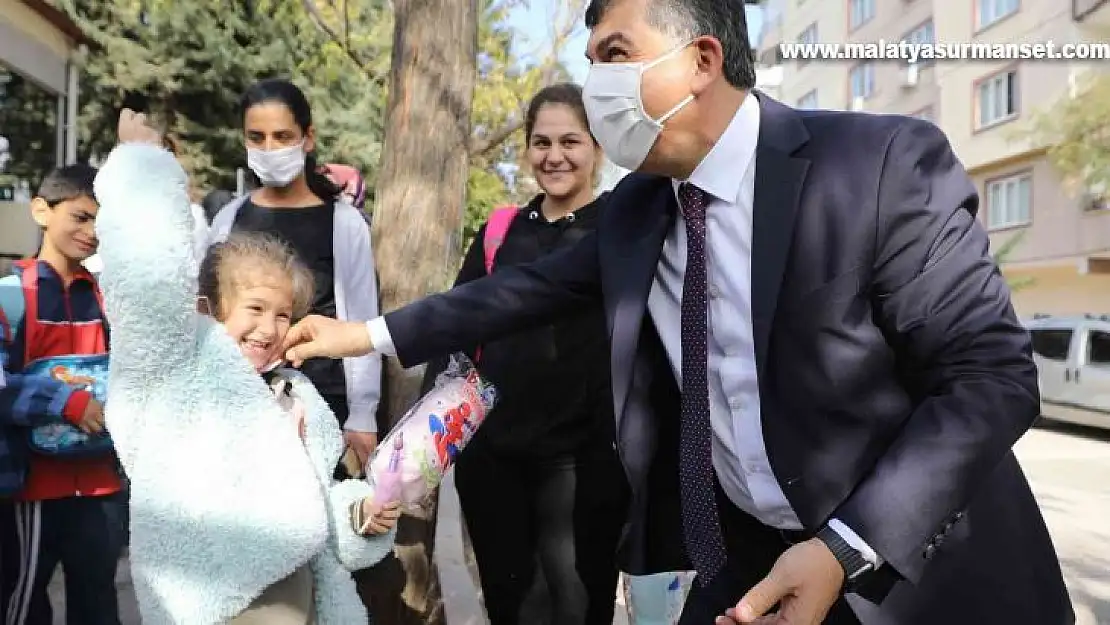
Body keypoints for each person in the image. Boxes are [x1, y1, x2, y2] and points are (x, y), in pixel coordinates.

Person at [278, 1, 1075, 624]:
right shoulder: (637, 211)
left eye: (614, 56)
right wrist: (365, 333)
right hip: (750, 563)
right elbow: (522, 290)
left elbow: (991, 377)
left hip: (909, 572)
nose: (596, 86)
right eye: (588, 63)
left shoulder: (876, 165)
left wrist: (845, 547)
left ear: (701, 59)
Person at [91, 110, 400, 624]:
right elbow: (147, 281)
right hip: (214, 601)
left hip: (303, 596)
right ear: (212, 311)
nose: (269, 327)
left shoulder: (298, 395)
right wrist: (143, 167)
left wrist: (362, 514)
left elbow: (323, 503)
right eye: (255, 309)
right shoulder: (175, 372)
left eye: (283, 314)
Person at [424, 83, 628, 625]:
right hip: (495, 461)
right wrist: (425, 447)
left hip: (585, 464)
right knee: (512, 609)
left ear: (597, 148)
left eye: (570, 141)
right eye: (541, 142)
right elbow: (455, 327)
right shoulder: (501, 231)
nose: (554, 156)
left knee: (579, 609)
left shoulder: (621, 227)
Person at [208, 78, 382, 469]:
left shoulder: (344, 222)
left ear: (307, 138)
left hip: (323, 404)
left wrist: (363, 414)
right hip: (237, 401)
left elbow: (360, 319)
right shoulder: (229, 218)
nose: (269, 148)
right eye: (257, 137)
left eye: (282, 136)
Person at [0, 164, 124, 625]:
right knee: (24, 606)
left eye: (101, 223)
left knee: (98, 606)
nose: (91, 233)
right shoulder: (10, 297)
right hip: (34, 490)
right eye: (80, 216)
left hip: (102, 487)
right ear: (41, 210)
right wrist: (67, 402)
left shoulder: (111, 299)